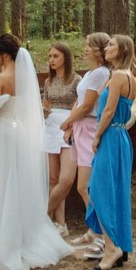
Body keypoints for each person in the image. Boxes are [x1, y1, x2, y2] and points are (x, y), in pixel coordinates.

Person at [0, 33, 77, 270]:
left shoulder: (0, 79)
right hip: (19, 133)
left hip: (1, 135)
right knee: (16, 185)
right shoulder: (25, 79)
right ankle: (23, 237)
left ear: (2, 54)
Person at [84, 33, 136, 270]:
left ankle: (111, 248)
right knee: (116, 192)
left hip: (110, 136)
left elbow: (108, 111)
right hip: (121, 137)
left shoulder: (117, 76)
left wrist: (96, 137)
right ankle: (118, 245)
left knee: (98, 190)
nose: (107, 47)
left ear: (123, 50)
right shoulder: (130, 77)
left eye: (112, 44)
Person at [62, 32, 112, 252]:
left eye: (88, 46)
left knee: (86, 186)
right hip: (80, 128)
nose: (85, 49)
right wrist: (71, 125)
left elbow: (87, 105)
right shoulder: (90, 73)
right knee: (83, 185)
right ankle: (93, 230)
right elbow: (78, 101)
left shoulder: (101, 74)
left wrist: (67, 121)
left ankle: (103, 234)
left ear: (98, 50)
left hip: (90, 127)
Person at [41, 43, 80, 231]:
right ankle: (60, 224)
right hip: (50, 126)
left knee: (65, 178)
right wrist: (43, 111)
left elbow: (80, 105)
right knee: (53, 178)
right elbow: (46, 104)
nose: (52, 60)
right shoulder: (48, 82)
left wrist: (71, 126)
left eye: (55, 56)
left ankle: (43, 215)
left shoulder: (76, 80)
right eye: (50, 56)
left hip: (69, 125)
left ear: (65, 57)